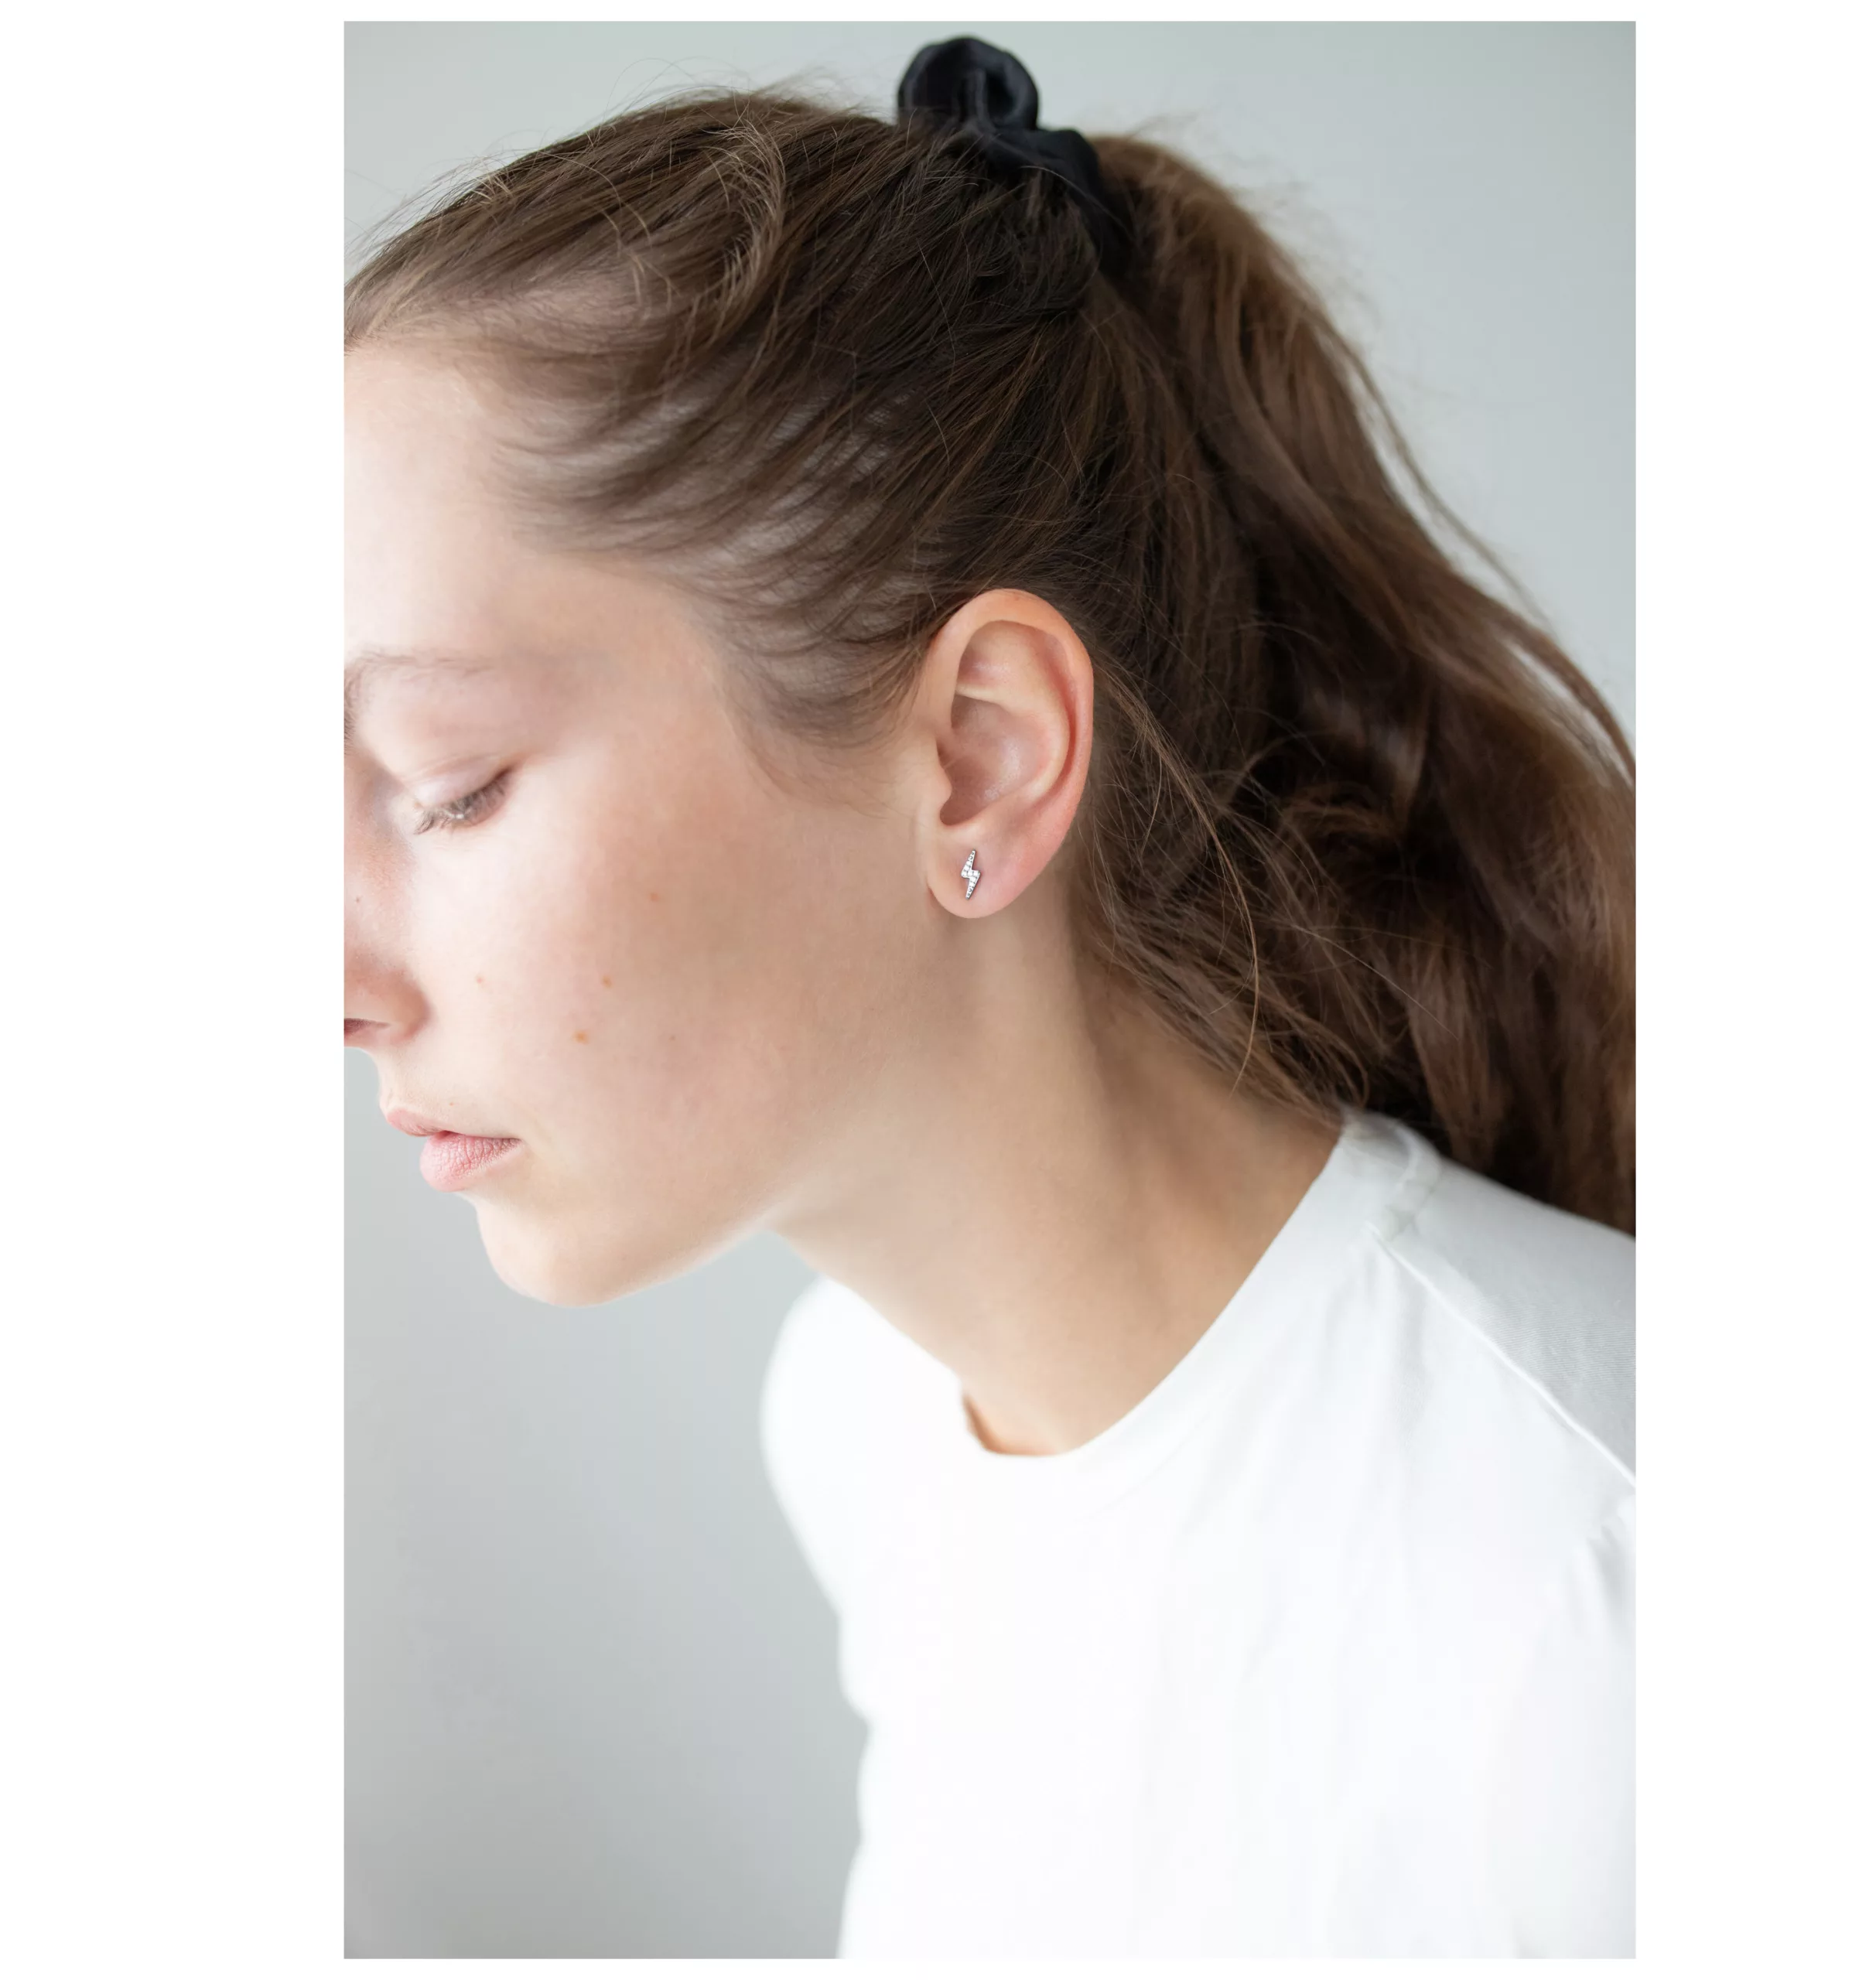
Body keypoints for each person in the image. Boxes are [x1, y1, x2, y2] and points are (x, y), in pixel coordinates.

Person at [343, 36, 1635, 1958]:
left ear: (977, 753)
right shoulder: (861, 1422)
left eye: (443, 785)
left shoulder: (1599, 1587)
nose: (336, 982)